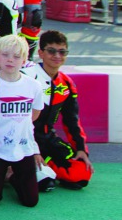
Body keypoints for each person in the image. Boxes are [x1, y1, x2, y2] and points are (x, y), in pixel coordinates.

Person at [0, 34, 43, 207]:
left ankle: (12, 177)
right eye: (5, 55)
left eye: (16, 56)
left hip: (24, 148)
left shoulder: (34, 86)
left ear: (25, 60)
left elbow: (34, 115)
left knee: (30, 201)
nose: (10, 60)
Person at [24, 30, 92, 189]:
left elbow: (72, 120)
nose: (57, 56)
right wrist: (32, 149)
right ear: (41, 53)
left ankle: (47, 165)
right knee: (44, 182)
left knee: (81, 175)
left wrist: (81, 149)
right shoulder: (26, 77)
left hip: (49, 139)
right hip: (24, 140)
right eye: (51, 51)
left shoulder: (66, 83)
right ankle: (29, 169)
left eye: (62, 52)